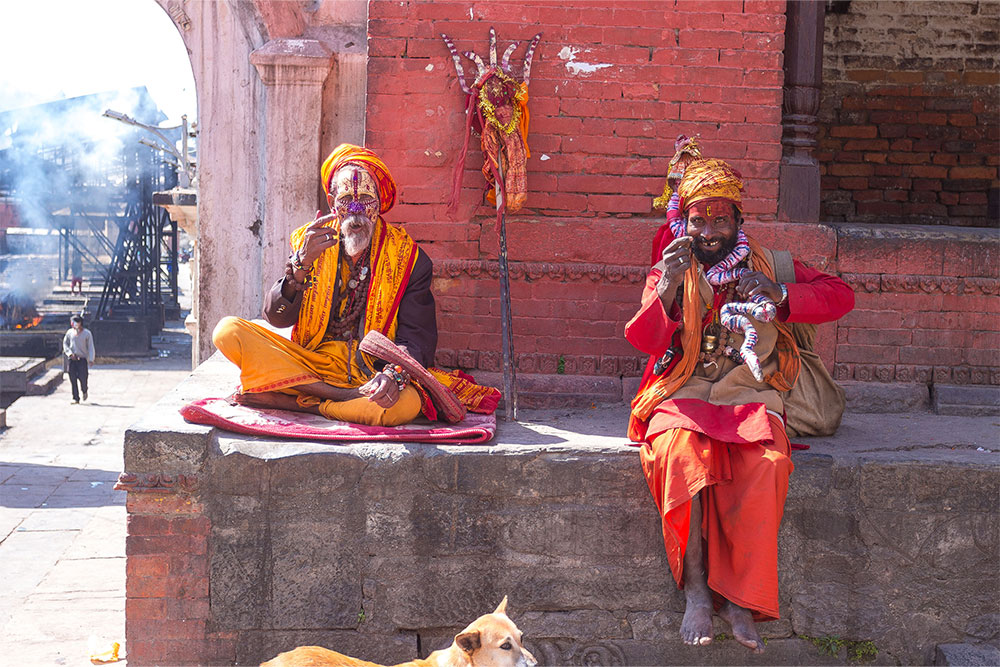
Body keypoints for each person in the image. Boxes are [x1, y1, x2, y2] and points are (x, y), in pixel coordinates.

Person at [625, 157, 854, 653]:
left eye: (720, 221)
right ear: (684, 223)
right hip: (682, 390)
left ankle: (739, 599)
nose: (708, 232)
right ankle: (697, 592)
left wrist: (782, 293)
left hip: (752, 391)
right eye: (698, 221)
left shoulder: (771, 263)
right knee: (681, 459)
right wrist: (666, 284)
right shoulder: (668, 268)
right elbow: (643, 340)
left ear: (737, 223)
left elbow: (841, 295)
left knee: (767, 465)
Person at [213, 144, 458, 426]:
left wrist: (392, 375)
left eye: (365, 198)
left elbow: (417, 337)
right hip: (311, 362)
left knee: (404, 406)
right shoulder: (309, 242)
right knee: (227, 331)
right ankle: (341, 398)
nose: (355, 211)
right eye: (346, 200)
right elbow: (276, 318)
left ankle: (303, 403)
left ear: (379, 201)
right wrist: (300, 265)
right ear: (332, 202)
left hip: (371, 371)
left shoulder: (408, 258)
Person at [63, 315, 95, 404]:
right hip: (72, 359)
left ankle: (84, 390)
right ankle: (75, 397)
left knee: (83, 377)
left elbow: (90, 347)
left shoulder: (87, 334)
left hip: (82, 359)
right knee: (72, 378)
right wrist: (69, 353)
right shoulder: (69, 333)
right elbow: (65, 344)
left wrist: (91, 359)